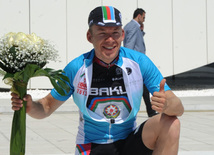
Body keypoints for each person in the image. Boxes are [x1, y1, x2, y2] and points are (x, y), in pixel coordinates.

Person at [11, 6, 184, 155]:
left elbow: (178, 108)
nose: (110, 40)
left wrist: (169, 105)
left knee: (171, 123)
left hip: (129, 140)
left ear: (122, 34)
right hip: (92, 144)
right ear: (89, 36)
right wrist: (31, 106)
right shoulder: (76, 67)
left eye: (115, 33)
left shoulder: (139, 62)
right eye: (102, 33)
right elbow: (47, 107)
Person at [123, 8, 157, 117]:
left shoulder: (130, 26)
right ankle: (149, 111)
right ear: (139, 16)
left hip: (135, 62)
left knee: (143, 87)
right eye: (143, 17)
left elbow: (133, 41)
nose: (144, 20)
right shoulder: (133, 27)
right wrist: (132, 62)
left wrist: (141, 31)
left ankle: (150, 111)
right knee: (138, 87)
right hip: (135, 63)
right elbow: (129, 45)